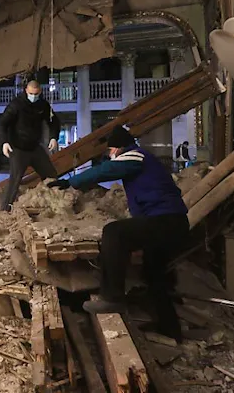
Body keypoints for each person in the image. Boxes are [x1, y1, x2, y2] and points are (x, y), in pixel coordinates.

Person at [48, 125, 188, 340]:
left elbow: (104, 171)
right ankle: (170, 328)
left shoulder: (135, 155)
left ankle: (112, 297)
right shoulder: (144, 160)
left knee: (114, 233)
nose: (110, 155)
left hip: (165, 221)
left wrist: (70, 182)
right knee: (154, 276)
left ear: (118, 148)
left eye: (111, 150)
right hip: (172, 222)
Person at [0, 79, 61, 211]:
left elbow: (54, 121)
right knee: (14, 180)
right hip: (18, 148)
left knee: (51, 175)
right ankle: (4, 210)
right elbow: (3, 123)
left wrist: (53, 138)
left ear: (40, 92)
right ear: (26, 91)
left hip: (34, 147)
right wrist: (5, 142)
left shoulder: (42, 105)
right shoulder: (16, 104)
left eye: (37, 94)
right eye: (32, 93)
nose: (34, 96)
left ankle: (56, 204)